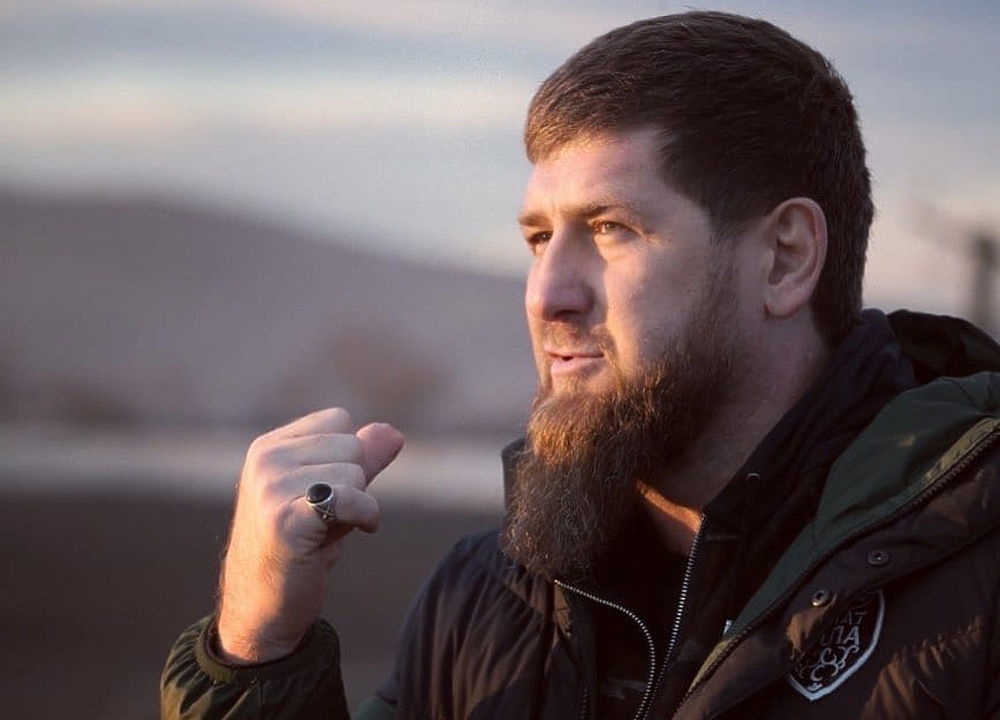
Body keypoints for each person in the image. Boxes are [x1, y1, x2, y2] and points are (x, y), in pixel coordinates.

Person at [161, 11, 1000, 720]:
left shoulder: (976, 588)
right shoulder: (485, 600)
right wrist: (256, 651)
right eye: (538, 237)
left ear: (784, 259)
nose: (546, 294)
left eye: (610, 229)